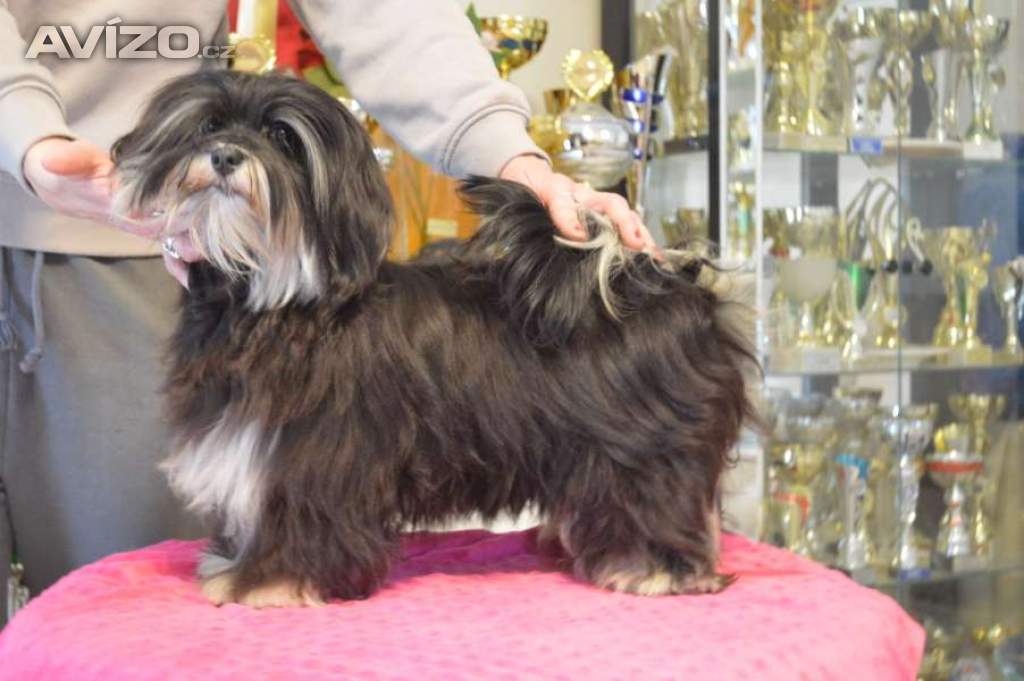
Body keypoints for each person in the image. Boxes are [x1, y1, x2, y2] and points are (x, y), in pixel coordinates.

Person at [0, 1, 652, 623]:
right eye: (213, 135)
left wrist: (513, 158)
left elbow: (384, 16)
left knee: (131, 608)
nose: (228, 153)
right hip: (67, 207)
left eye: (277, 142)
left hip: (115, 232)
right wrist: (22, 126)